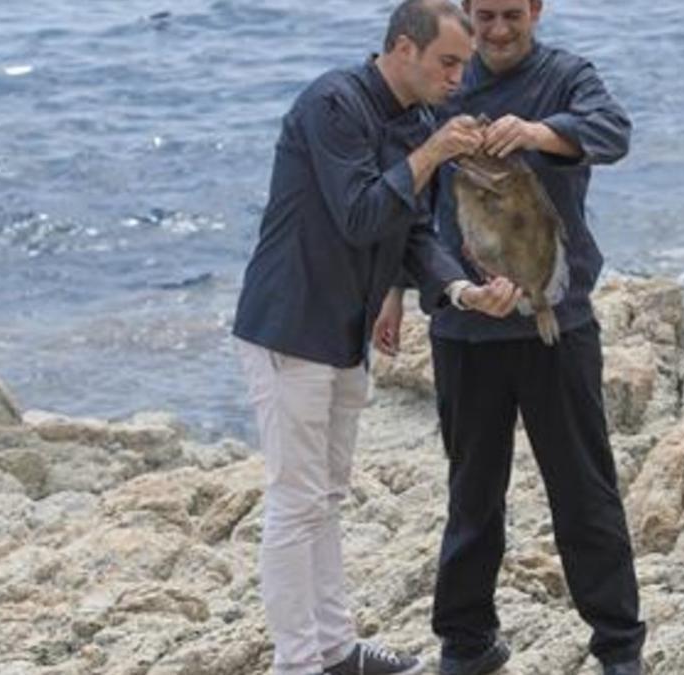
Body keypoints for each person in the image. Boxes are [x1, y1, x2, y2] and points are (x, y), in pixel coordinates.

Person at [232, 2, 522, 674]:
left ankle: (337, 649)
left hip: (343, 331)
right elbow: (363, 214)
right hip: (289, 327)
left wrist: (461, 292)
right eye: (447, 62)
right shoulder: (333, 105)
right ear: (401, 50)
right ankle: (296, 662)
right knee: (296, 499)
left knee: (329, 496)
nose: (459, 76)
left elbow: (413, 234)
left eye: (463, 64)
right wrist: (434, 152)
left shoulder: (416, 120)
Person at [371, 1, 647, 673]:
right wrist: (389, 290)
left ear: (536, 10)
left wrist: (538, 132)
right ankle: (466, 642)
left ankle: (619, 648)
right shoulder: (446, 83)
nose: (497, 30)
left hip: (558, 321)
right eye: (485, 15)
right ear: (466, 11)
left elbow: (613, 132)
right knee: (472, 492)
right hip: (465, 325)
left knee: (584, 490)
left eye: (511, 15)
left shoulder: (565, 77)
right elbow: (405, 192)